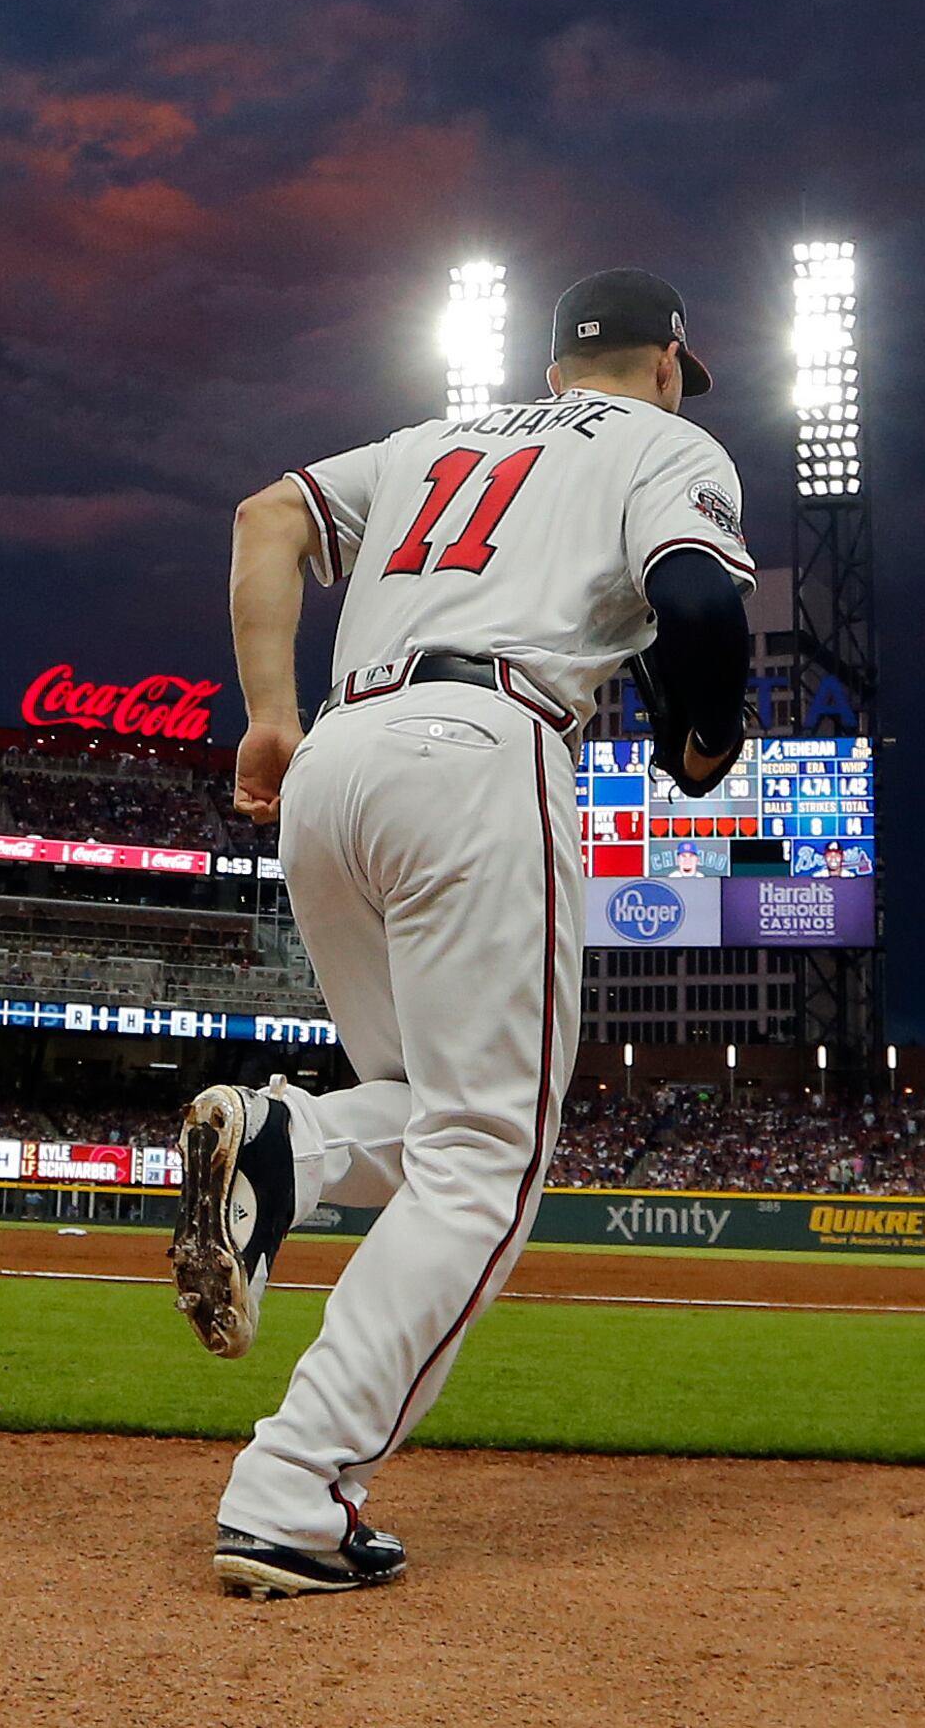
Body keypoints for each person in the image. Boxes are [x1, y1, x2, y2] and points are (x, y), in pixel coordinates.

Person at [175, 268, 754, 1598]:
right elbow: (706, 607)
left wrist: (270, 707)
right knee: (486, 1154)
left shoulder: (436, 440)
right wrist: (708, 735)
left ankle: (290, 1136)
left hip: (334, 760)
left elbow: (268, 514)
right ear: (667, 362)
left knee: (420, 1110)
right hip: (487, 745)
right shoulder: (671, 442)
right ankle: (294, 1487)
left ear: (555, 367)